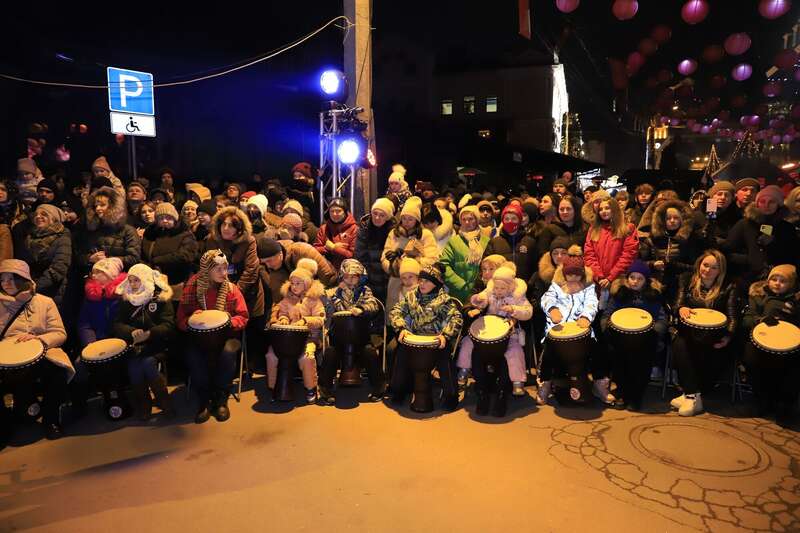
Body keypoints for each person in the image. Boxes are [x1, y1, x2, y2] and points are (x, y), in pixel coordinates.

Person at [0, 259, 74, 441]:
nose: (6, 283)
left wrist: (39, 339)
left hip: (42, 353)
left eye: (11, 279)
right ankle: (3, 427)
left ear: (23, 279)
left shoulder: (44, 302)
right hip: (7, 358)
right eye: (2, 279)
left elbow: (59, 333)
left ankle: (51, 419)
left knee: (57, 373)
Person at [177, 249, 249, 423]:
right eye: (218, 269)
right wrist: (194, 320)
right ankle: (204, 399)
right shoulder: (192, 288)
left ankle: (220, 398)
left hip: (226, 336)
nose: (224, 273)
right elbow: (180, 319)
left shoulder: (231, 289)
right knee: (194, 356)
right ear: (206, 270)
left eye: (225, 269)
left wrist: (227, 321)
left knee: (227, 354)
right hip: (198, 337)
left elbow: (243, 316)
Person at [670, 250, 738, 417]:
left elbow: (733, 316)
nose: (708, 270)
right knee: (680, 343)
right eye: (705, 265)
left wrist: (728, 337)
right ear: (699, 264)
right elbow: (676, 304)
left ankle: (690, 394)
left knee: (702, 347)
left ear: (720, 270)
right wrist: (681, 308)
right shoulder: (686, 279)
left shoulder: (729, 286)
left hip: (714, 334)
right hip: (688, 330)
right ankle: (693, 396)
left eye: (714, 268)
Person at [389, 263, 463, 412]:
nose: (422, 283)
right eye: (421, 280)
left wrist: (445, 335)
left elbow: (456, 318)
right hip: (414, 338)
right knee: (400, 354)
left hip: (436, 340)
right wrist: (401, 328)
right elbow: (396, 311)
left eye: (427, 281)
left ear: (435, 283)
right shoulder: (411, 296)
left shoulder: (444, 300)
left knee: (445, 360)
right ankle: (398, 390)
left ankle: (451, 396)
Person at [461, 265, 533, 415]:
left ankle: (514, 384)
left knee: (514, 351)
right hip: (488, 331)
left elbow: (528, 311)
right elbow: (479, 299)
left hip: (509, 333)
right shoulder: (490, 293)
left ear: (510, 287)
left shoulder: (518, 297)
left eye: (502, 288)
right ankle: (471, 379)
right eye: (496, 288)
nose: (498, 291)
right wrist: (478, 301)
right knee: (469, 342)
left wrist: (514, 310)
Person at [600, 260, 668, 410]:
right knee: (619, 355)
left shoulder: (653, 297)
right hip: (621, 338)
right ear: (627, 278)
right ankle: (623, 390)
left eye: (640, 278)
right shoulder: (619, 294)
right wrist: (608, 329)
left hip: (645, 340)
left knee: (640, 358)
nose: (635, 281)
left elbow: (662, 320)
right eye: (632, 277)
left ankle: (636, 395)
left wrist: (652, 332)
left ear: (646, 280)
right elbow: (606, 315)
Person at [111, 264, 175, 420]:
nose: (132, 285)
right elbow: (117, 324)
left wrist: (149, 333)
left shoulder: (160, 299)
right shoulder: (127, 300)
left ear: (146, 280)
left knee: (147, 363)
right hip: (135, 345)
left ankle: (163, 400)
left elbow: (168, 325)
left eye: (136, 281)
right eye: (130, 281)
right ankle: (144, 402)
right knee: (133, 366)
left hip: (157, 344)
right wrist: (131, 332)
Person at [319, 259, 386, 405]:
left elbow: (373, 304)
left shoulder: (365, 290)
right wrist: (340, 291)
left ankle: (379, 386)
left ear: (360, 277)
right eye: (347, 276)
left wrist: (361, 309)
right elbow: (325, 303)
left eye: (354, 276)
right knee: (330, 353)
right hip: (339, 337)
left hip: (360, 336)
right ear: (341, 277)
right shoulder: (335, 292)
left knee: (369, 352)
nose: (350, 279)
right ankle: (325, 388)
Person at [538, 255, 602, 405]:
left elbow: (592, 303)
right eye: (569, 274)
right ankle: (545, 383)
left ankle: (600, 383)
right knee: (548, 353)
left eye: (577, 274)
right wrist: (552, 310)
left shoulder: (588, 288)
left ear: (582, 274)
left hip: (581, 330)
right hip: (557, 330)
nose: (573, 277)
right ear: (564, 274)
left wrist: (586, 316)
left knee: (598, 351)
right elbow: (546, 299)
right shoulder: (556, 287)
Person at [741, 264, 799, 426]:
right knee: (752, 360)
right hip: (760, 341)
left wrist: (794, 316)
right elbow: (746, 320)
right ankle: (762, 400)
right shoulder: (758, 295)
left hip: (788, 344)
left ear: (791, 284)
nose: (777, 283)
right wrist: (761, 320)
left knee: (792, 367)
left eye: (783, 281)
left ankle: (784, 405)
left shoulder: (795, 301)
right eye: (774, 279)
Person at [265, 267, 325, 404]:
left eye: (298, 283)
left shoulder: (314, 300)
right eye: (292, 283)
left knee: (306, 358)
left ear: (307, 284)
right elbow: (282, 312)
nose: (294, 286)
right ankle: (274, 387)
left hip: (307, 338)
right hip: (287, 339)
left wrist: (305, 321)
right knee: (271, 355)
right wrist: (283, 319)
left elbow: (320, 319)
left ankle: (311, 388)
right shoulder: (287, 299)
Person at [723, 185, 799, 286]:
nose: (766, 205)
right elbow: (727, 250)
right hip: (747, 279)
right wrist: (748, 259)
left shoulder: (786, 228)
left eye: (771, 202)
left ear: (779, 204)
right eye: (762, 201)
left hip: (778, 282)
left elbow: (793, 256)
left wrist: (773, 245)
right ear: (757, 203)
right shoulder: (745, 224)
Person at [203, 206, 263, 320]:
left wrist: (235, 292)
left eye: (231, 225)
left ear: (239, 228)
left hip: (246, 291)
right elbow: (208, 268)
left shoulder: (248, 241)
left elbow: (251, 270)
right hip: (219, 292)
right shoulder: (212, 240)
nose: (225, 228)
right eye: (223, 224)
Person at [382, 196, 439, 312]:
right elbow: (384, 257)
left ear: (417, 220)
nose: (406, 222)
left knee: (415, 315)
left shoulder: (425, 235)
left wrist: (413, 262)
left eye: (410, 219)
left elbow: (433, 258)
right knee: (394, 314)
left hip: (418, 283)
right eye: (404, 218)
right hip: (396, 281)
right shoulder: (394, 234)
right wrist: (393, 263)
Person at [638, 199, 699, 302]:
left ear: (682, 220)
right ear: (662, 220)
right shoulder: (653, 239)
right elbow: (640, 263)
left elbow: (695, 267)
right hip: (654, 285)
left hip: (680, 287)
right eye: (668, 218)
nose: (672, 221)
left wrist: (674, 265)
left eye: (676, 218)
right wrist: (653, 264)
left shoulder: (690, 240)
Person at [13, 204, 71, 306]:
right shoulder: (30, 236)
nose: (38, 216)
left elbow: (59, 268)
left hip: (51, 291)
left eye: (44, 214)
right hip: (28, 288)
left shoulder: (62, 238)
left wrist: (36, 286)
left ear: (53, 219)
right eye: (36, 214)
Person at [74, 186, 141, 276]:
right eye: (95, 206)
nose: (97, 209)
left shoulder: (127, 230)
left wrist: (107, 261)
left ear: (113, 206)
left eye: (102, 205)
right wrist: (90, 258)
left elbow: (134, 258)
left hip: (121, 279)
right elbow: (78, 256)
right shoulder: (90, 229)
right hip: (95, 279)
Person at [141, 202, 198, 300]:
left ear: (175, 219)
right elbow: (143, 253)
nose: (165, 221)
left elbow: (186, 255)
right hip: (153, 281)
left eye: (168, 218)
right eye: (161, 218)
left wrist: (158, 260)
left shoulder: (184, 234)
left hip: (177, 282)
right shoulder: (151, 233)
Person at [584, 197, 639, 293]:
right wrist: (599, 276)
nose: (603, 211)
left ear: (614, 209)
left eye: (607, 208)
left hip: (619, 281)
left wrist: (611, 277)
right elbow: (589, 255)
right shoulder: (593, 229)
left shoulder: (627, 228)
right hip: (597, 281)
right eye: (600, 209)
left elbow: (628, 255)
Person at [439, 205, 489, 303]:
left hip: (483, 292)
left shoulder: (486, 241)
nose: (467, 222)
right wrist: (461, 284)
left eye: (471, 219)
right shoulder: (454, 241)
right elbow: (444, 265)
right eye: (463, 219)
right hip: (459, 293)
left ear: (477, 220)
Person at [482, 203, 538, 287]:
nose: (510, 221)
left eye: (514, 218)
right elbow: (485, 266)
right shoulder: (494, 242)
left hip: (523, 290)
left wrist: (529, 285)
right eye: (506, 219)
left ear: (519, 220)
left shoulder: (530, 242)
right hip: (500, 291)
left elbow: (536, 268)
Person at [354, 197, 395, 304]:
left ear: (388, 217)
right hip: (369, 279)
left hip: (388, 279)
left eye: (382, 215)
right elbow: (360, 255)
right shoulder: (364, 230)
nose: (377, 217)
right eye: (375, 213)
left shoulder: (394, 232)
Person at [313, 197, 358, 270]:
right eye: (332, 211)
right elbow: (315, 250)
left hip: (347, 273)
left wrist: (334, 248)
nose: (334, 214)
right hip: (326, 271)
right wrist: (326, 248)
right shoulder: (324, 228)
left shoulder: (354, 229)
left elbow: (353, 255)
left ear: (345, 212)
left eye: (338, 211)